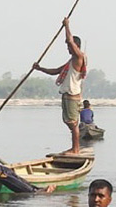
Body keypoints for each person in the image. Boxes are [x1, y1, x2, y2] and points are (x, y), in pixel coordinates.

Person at [34, 17, 88, 155]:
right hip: (67, 95)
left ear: (75, 46)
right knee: (70, 122)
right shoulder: (71, 61)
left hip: (72, 95)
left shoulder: (79, 57)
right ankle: (75, 148)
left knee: (72, 123)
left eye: (69, 47)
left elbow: (70, 40)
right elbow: (56, 71)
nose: (68, 49)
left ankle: (75, 149)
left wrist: (66, 26)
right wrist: (40, 68)